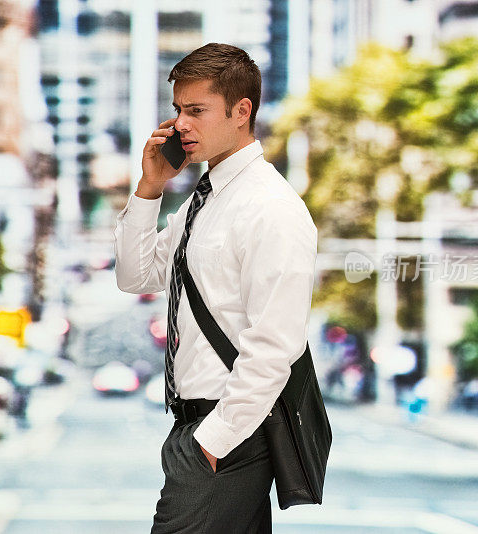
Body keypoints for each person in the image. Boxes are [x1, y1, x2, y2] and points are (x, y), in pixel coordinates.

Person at [114, 43, 317, 533]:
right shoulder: (205, 202)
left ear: (241, 111)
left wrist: (214, 441)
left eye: (197, 110)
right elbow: (135, 276)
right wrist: (149, 189)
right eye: (178, 110)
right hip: (197, 428)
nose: (180, 124)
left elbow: (275, 345)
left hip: (226, 436)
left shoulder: (270, 208)